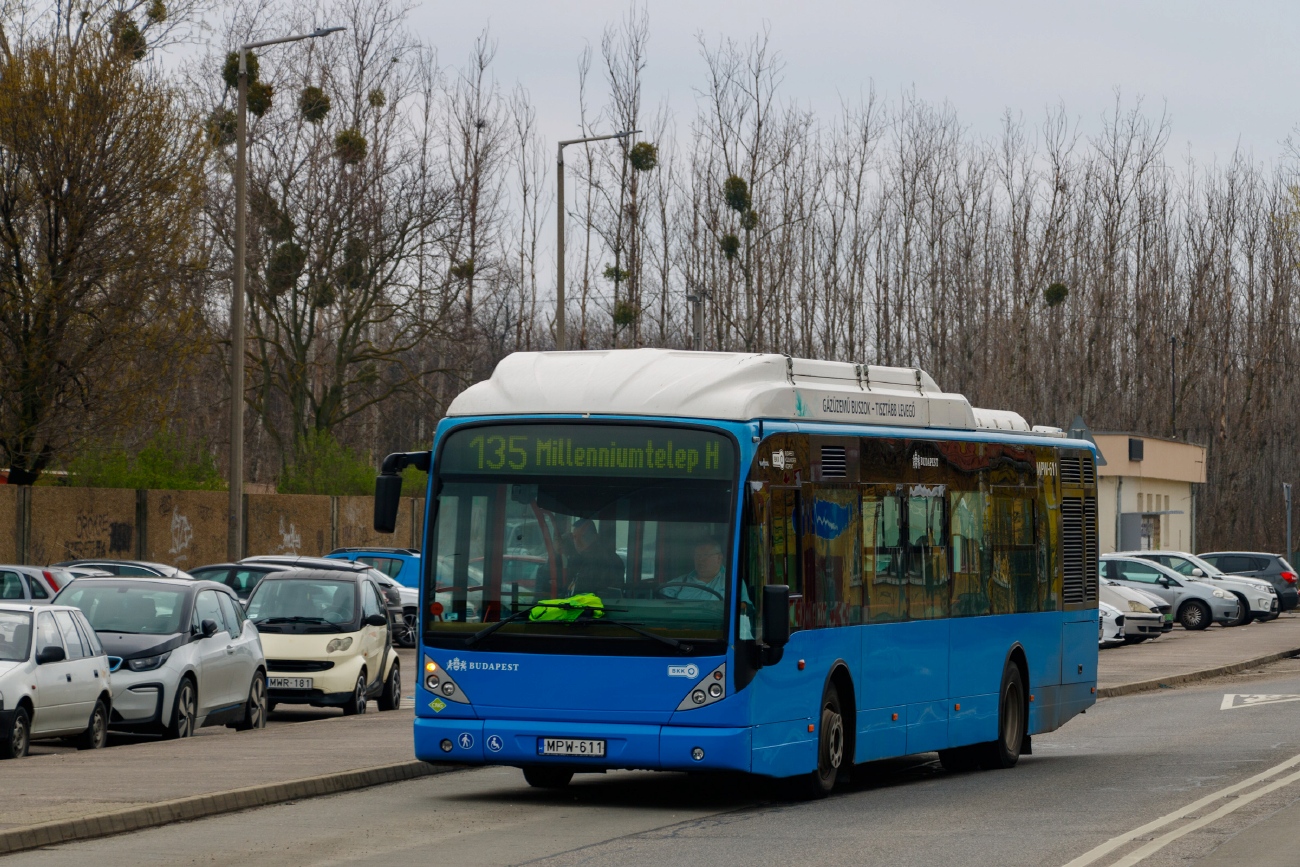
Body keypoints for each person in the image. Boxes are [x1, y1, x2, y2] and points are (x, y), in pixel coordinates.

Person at [661, 539, 753, 639]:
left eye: (705, 555)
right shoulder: (680, 582)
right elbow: (661, 602)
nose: (700, 560)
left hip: (719, 635)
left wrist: (720, 608)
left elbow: (743, 607)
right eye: (697, 556)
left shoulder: (732, 581)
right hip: (681, 634)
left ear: (719, 558)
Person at [563, 519, 625, 596]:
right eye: (575, 537)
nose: (577, 542)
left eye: (583, 536)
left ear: (595, 537)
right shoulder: (575, 559)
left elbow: (612, 595)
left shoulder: (610, 561)